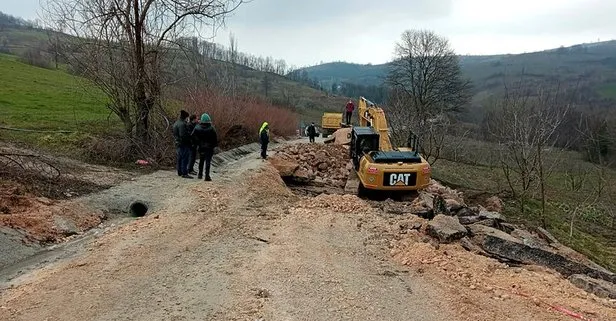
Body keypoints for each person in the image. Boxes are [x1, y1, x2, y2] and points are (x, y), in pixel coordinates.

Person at [191, 113, 218, 181]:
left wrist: (197, 143)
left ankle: (200, 174)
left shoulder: (197, 127)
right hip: (209, 147)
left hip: (201, 147)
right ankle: (207, 175)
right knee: (208, 161)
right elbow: (215, 138)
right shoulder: (211, 128)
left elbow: (192, 136)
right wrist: (214, 146)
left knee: (201, 160)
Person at [173, 109, 193, 178]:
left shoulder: (176, 123)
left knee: (180, 158)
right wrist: (189, 139)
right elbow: (183, 135)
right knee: (185, 158)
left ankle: (179, 171)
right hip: (183, 143)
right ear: (185, 117)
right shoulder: (182, 124)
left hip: (177, 142)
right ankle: (184, 173)